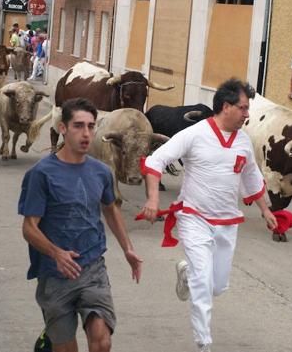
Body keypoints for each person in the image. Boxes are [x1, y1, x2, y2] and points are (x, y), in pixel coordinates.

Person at [139, 79, 278, 352]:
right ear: (226, 106)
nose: (247, 114)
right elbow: (156, 160)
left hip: (227, 223)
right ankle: (204, 343)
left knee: (217, 286)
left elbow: (251, 178)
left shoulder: (243, 142)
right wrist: (153, 199)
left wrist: (266, 210)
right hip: (194, 218)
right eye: (243, 108)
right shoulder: (194, 134)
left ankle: (187, 271)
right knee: (203, 284)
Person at [19, 98, 142, 352]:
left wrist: (127, 248)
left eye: (91, 126)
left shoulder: (101, 172)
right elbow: (29, 227)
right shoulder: (41, 174)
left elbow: (110, 209)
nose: (86, 133)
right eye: (78, 126)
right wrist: (56, 253)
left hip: (92, 268)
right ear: (62, 128)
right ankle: (50, 338)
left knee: (101, 341)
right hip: (55, 274)